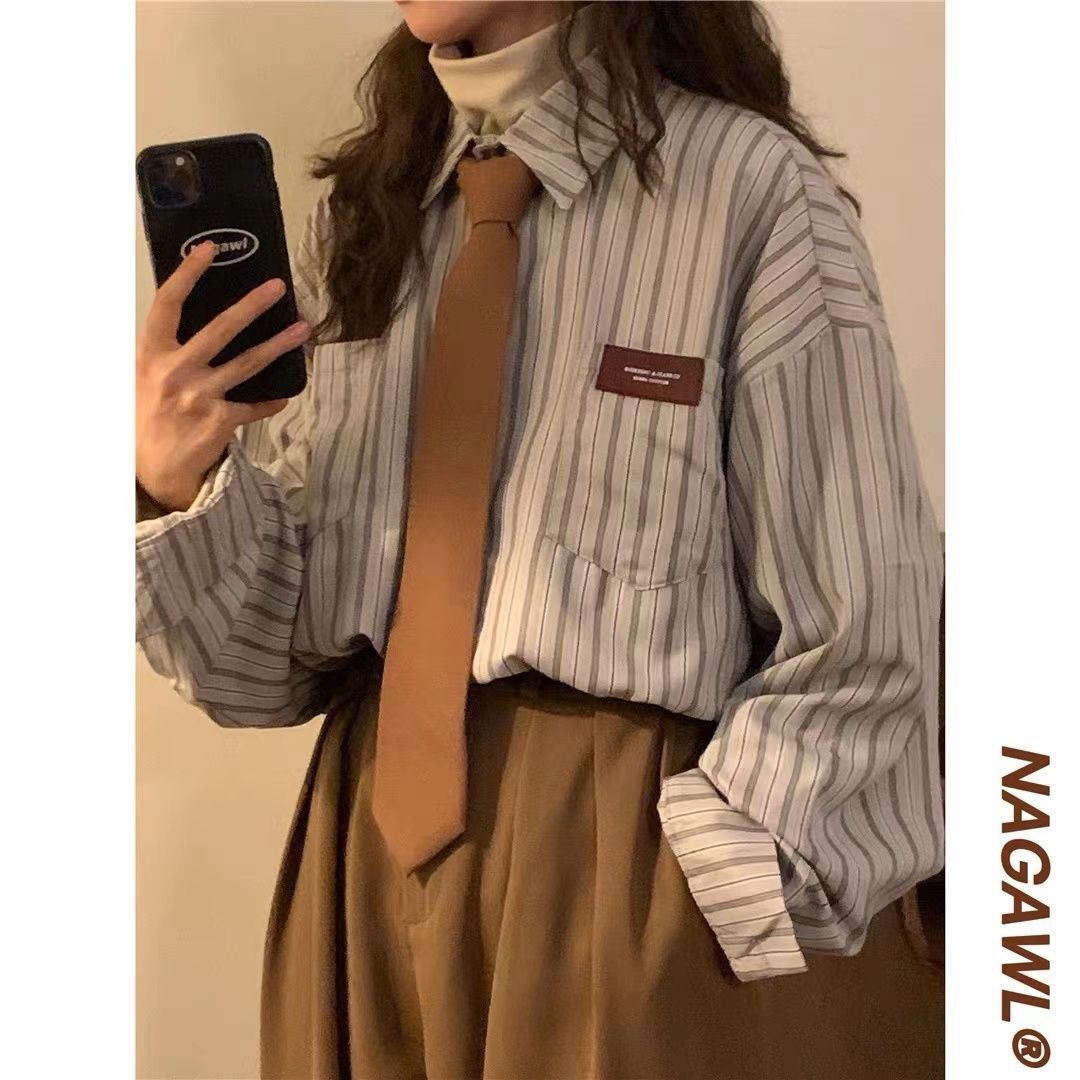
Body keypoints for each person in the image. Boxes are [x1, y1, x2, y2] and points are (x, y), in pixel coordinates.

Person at [135, 2, 945, 1077]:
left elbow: (867, 613)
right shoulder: (371, 213)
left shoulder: (745, 190)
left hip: (622, 868)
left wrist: (704, 895)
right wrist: (180, 482)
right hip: (362, 861)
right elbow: (266, 666)